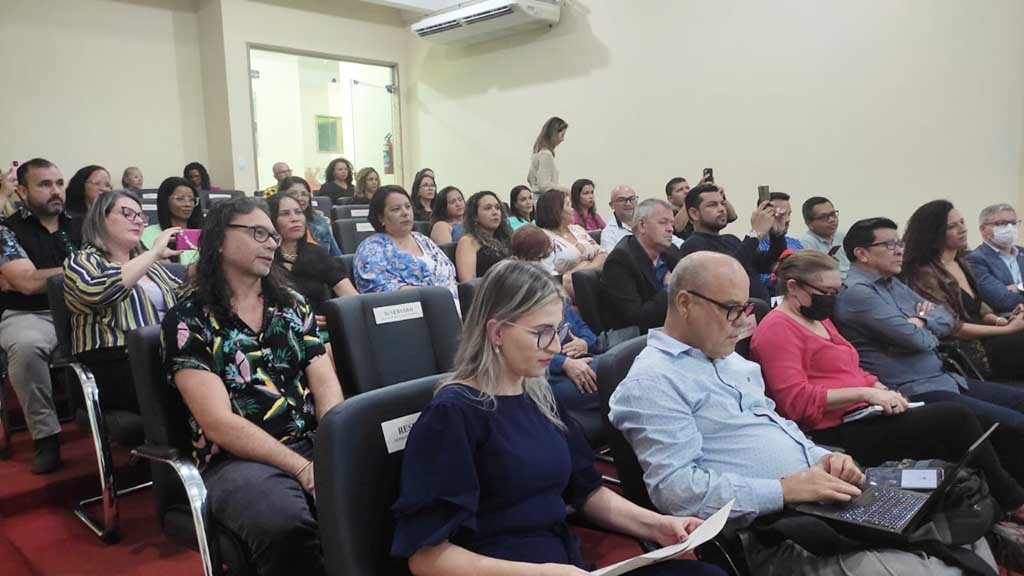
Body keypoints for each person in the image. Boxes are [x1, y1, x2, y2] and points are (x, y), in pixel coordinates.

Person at [609, 251, 997, 574]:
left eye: (744, 307)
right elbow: (676, 493)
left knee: (960, 522)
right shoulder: (653, 382)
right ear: (685, 303)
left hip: (818, 505)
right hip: (771, 534)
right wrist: (784, 490)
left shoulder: (727, 361)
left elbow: (777, 425)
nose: (742, 321)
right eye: (731, 309)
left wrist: (825, 457)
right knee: (937, 566)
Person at [391, 259, 725, 576]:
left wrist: (659, 525)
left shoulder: (538, 394)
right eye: (542, 333)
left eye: (558, 331)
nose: (555, 347)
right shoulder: (452, 415)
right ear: (496, 333)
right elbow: (427, 558)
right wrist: (539, 573)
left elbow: (586, 491)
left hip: (563, 563)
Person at [751, 250, 1024, 519]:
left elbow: (850, 368)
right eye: (827, 292)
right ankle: (1012, 501)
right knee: (956, 417)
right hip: (834, 429)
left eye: (838, 290)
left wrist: (878, 387)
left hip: (864, 411)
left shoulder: (816, 318)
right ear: (793, 287)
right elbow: (795, 401)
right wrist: (865, 392)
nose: (834, 299)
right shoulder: (778, 329)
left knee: (976, 420)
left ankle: (994, 499)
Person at [162, 196, 343, 576]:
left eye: (273, 236)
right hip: (237, 459)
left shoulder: (292, 305)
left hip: (311, 440)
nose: (271, 243)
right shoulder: (189, 319)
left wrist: (332, 448)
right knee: (285, 522)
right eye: (258, 233)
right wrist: (302, 469)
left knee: (381, 489)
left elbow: (326, 384)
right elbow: (218, 423)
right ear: (220, 241)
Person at [835, 217, 1024, 446]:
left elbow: (946, 319)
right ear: (861, 254)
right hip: (913, 389)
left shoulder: (892, 282)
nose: (898, 251)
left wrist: (919, 321)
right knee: (1014, 424)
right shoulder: (858, 293)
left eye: (899, 243)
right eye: (889, 245)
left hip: (945, 378)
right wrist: (922, 320)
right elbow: (916, 340)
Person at [63, 190, 184, 440]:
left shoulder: (154, 268)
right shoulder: (81, 261)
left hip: (164, 356)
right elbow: (101, 292)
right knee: (195, 388)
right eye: (128, 213)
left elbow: (187, 298)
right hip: (114, 364)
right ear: (100, 218)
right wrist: (153, 254)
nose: (138, 220)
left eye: (141, 216)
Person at [0, 158, 83, 473]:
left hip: (81, 309)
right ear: (21, 190)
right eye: (45, 185)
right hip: (29, 314)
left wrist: (39, 278)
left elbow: (34, 279)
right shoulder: (7, 230)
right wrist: (85, 271)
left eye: (59, 183)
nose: (55, 191)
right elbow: (25, 283)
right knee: (26, 348)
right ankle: (46, 436)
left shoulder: (82, 224)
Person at [900, 200, 1024, 381]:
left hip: (987, 336)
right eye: (952, 226)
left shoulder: (962, 261)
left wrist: (1003, 320)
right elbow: (954, 328)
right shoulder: (925, 273)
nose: (962, 229)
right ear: (934, 233)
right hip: (966, 348)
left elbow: (980, 307)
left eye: (962, 222)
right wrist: (1008, 330)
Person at [511, 225, 604, 415]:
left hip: (583, 359)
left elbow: (582, 327)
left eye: (545, 256)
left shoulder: (551, 290)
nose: (542, 263)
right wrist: (563, 363)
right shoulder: (514, 299)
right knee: (614, 376)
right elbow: (520, 350)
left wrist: (585, 342)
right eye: (535, 258)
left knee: (619, 365)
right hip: (547, 376)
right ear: (517, 260)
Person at [354, 185, 459, 307]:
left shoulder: (424, 240)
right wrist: (433, 296)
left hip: (449, 308)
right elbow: (379, 289)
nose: (405, 213)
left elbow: (448, 273)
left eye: (408, 207)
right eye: (396, 209)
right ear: (381, 217)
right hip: (408, 315)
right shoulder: (371, 248)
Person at [678, 183, 783, 301]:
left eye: (722, 203)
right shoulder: (692, 246)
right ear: (694, 214)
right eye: (712, 205)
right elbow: (728, 273)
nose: (722, 209)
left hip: (761, 312)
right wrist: (755, 233)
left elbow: (769, 264)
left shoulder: (731, 240)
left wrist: (777, 235)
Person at [267, 192, 356, 318]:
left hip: (323, 329)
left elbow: (350, 295)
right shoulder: (263, 258)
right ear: (270, 220)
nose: (295, 218)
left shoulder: (316, 253)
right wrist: (305, 319)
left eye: (298, 212)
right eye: (285, 214)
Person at [601, 199, 682, 332]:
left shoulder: (671, 251)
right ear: (642, 225)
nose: (670, 229)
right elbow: (636, 317)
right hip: (636, 337)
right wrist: (669, 289)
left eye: (671, 223)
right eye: (663, 223)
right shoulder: (620, 260)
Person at [966, 203, 1024, 314]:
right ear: (983, 229)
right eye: (1002, 223)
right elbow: (1001, 300)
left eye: (1013, 223)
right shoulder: (975, 259)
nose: (1010, 228)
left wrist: (1017, 287)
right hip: (1007, 322)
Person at [535, 189, 606, 278]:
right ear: (556, 210)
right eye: (568, 205)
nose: (572, 210)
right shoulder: (542, 238)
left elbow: (602, 253)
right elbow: (548, 275)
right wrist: (579, 272)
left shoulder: (577, 229)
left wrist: (587, 269)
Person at [142, 177, 203, 265]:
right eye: (180, 199)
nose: (188, 204)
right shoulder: (148, 234)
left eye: (192, 199)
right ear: (165, 201)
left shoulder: (203, 234)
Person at [454, 191, 511, 282]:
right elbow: (469, 284)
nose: (495, 212)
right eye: (488, 208)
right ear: (475, 216)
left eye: (497, 208)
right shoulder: (468, 241)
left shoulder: (507, 239)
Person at [277, 176, 341, 257]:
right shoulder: (273, 224)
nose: (299, 198)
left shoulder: (320, 222)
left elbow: (336, 256)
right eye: (293, 194)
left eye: (304, 194)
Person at [758, 192, 803, 297]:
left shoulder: (795, 243)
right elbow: (760, 282)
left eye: (789, 214)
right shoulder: (755, 246)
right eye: (781, 215)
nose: (787, 220)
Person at [665, 177, 737, 240]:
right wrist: (691, 196)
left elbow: (732, 217)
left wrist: (722, 197)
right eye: (680, 190)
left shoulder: (698, 208)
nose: (686, 191)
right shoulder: (668, 213)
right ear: (670, 199)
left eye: (687, 188)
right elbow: (677, 228)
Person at [799, 196, 850, 279]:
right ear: (809, 223)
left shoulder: (842, 237)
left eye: (833, 214)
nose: (832, 220)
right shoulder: (805, 244)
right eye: (824, 217)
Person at [527, 116, 568, 194]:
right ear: (554, 134)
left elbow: (530, 178)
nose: (563, 139)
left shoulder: (538, 153)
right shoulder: (546, 155)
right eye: (562, 135)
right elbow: (544, 185)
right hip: (544, 199)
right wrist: (565, 190)